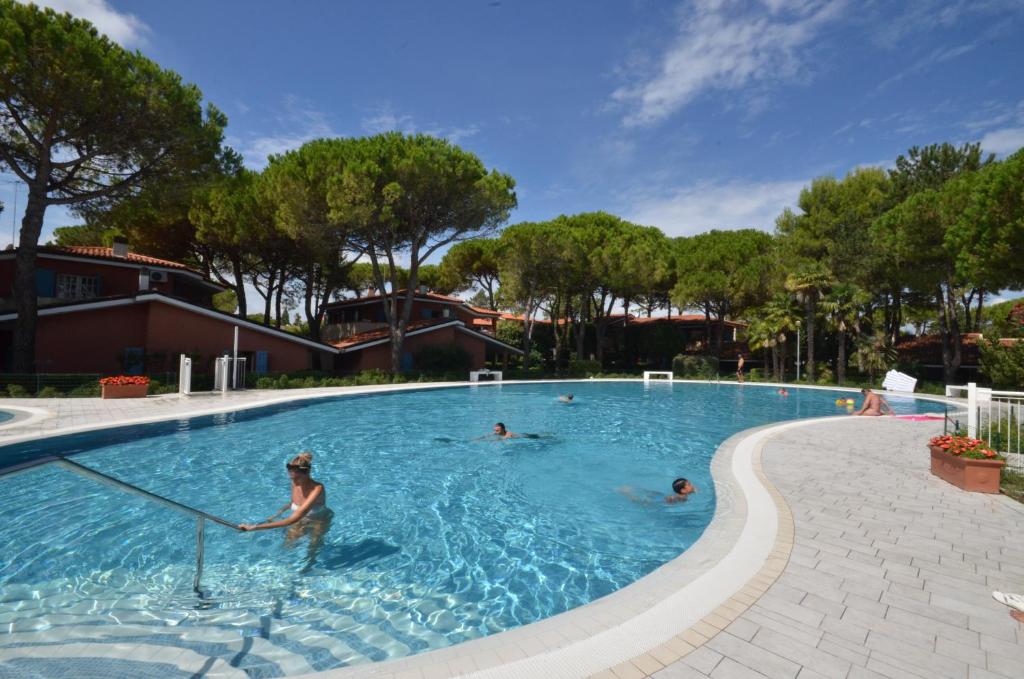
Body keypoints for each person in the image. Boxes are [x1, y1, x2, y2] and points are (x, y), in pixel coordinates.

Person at [239, 452, 332, 533]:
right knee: (288, 545)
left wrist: (254, 527)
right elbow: (293, 502)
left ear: (308, 473)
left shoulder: (317, 489)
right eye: (292, 478)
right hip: (300, 520)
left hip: (319, 522)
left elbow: (293, 519)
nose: (295, 482)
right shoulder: (295, 483)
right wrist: (276, 515)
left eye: (298, 478)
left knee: (312, 550)